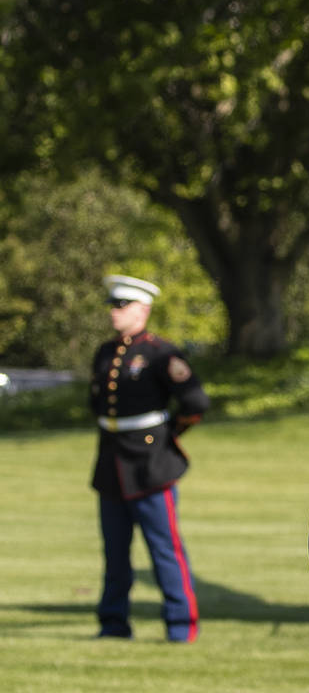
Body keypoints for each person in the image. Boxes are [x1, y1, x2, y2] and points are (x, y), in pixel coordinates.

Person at [89, 274, 209, 642]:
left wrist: (167, 435)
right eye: (113, 305)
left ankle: (180, 626)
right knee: (115, 553)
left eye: (121, 306)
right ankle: (113, 624)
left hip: (150, 463)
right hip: (111, 462)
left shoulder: (161, 353)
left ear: (143, 309)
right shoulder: (106, 352)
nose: (114, 313)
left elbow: (195, 403)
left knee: (165, 550)